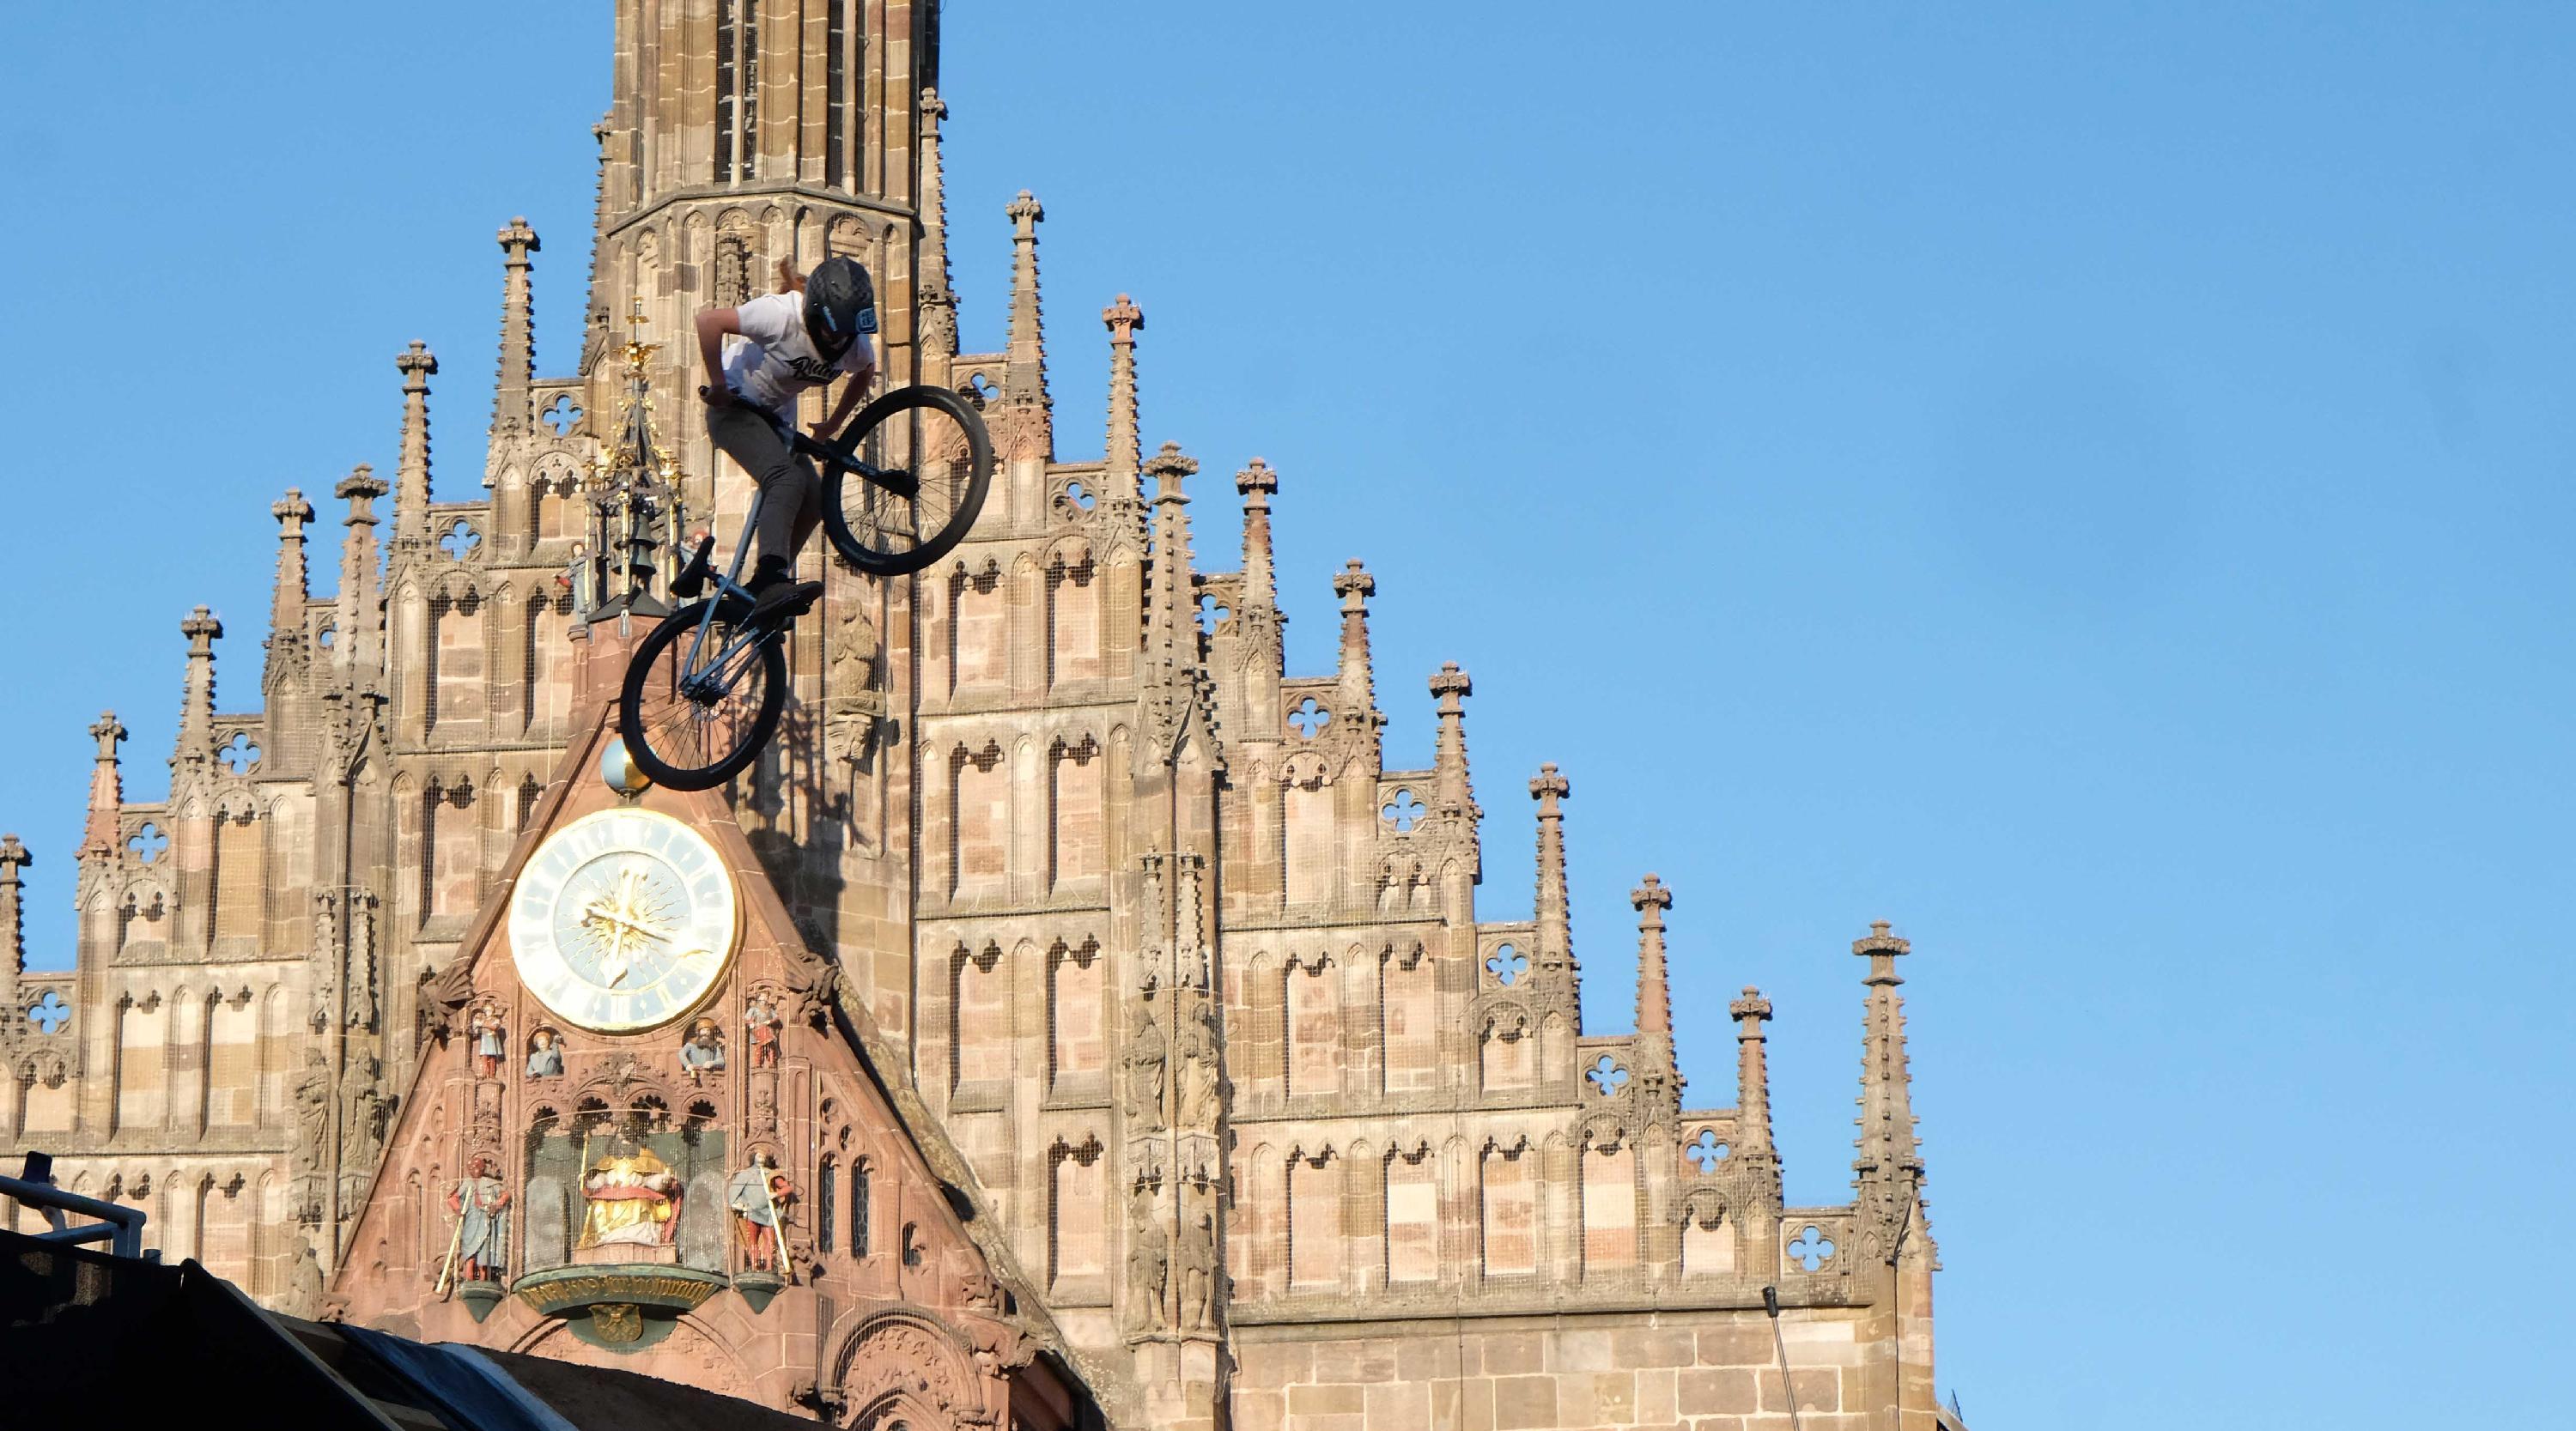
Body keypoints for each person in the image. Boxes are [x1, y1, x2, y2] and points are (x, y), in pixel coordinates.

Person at [696, 256, 879, 625]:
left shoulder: (851, 342)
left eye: (846, 334)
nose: (839, 341)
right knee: (786, 478)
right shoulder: (780, 315)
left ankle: (764, 592)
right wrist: (718, 385)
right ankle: (770, 577)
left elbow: (865, 372)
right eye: (832, 332)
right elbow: (709, 322)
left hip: (777, 423)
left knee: (816, 499)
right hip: (735, 408)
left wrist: (832, 424)